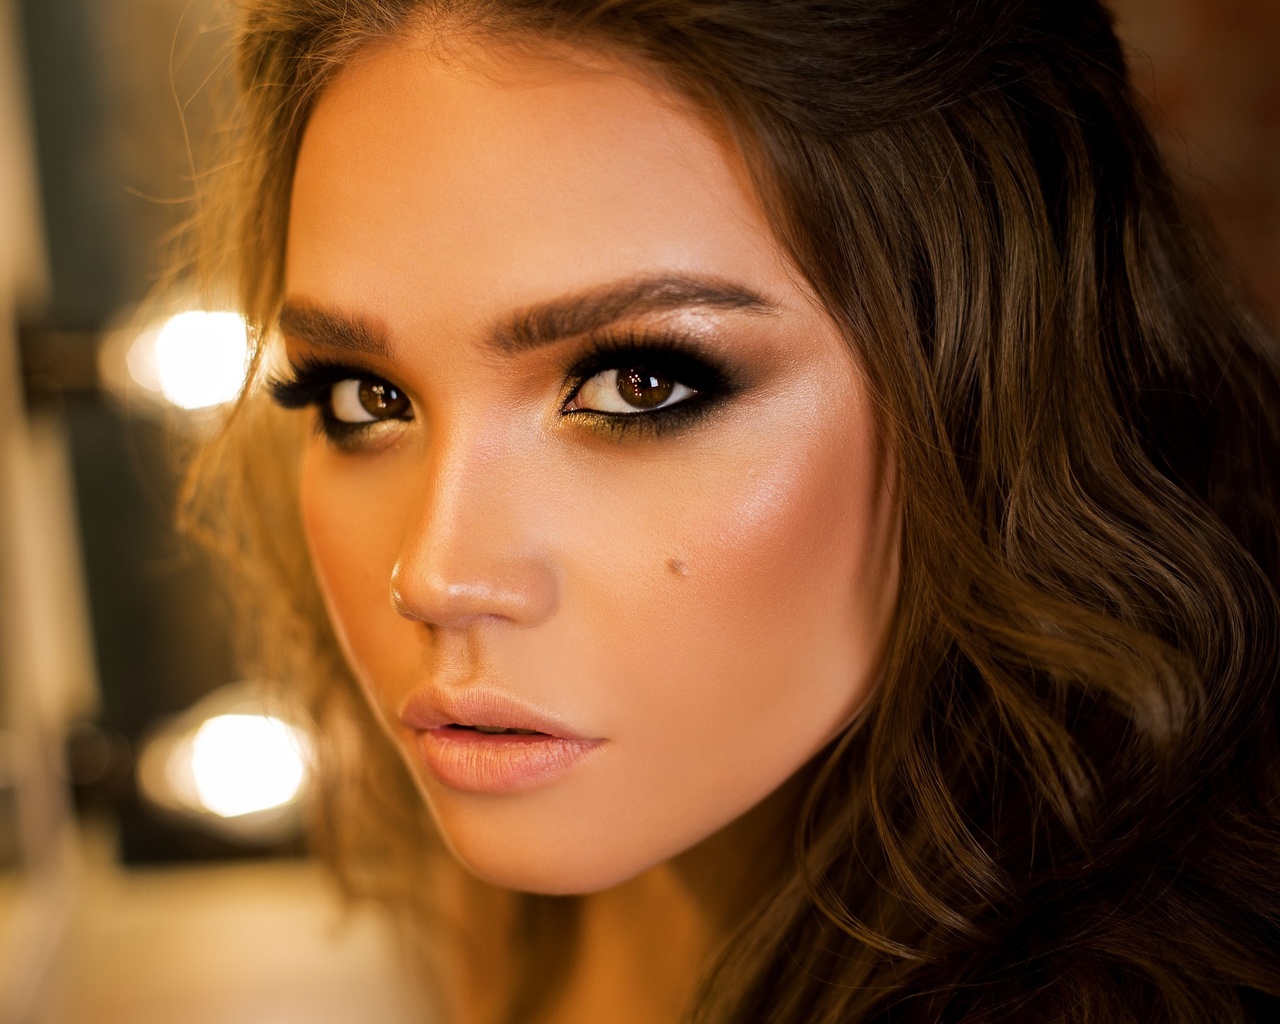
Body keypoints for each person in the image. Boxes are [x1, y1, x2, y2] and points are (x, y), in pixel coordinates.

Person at [184, 1, 1280, 1020]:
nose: (435, 577)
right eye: (363, 397)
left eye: (639, 385)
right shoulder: (545, 868)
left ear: (996, 382)